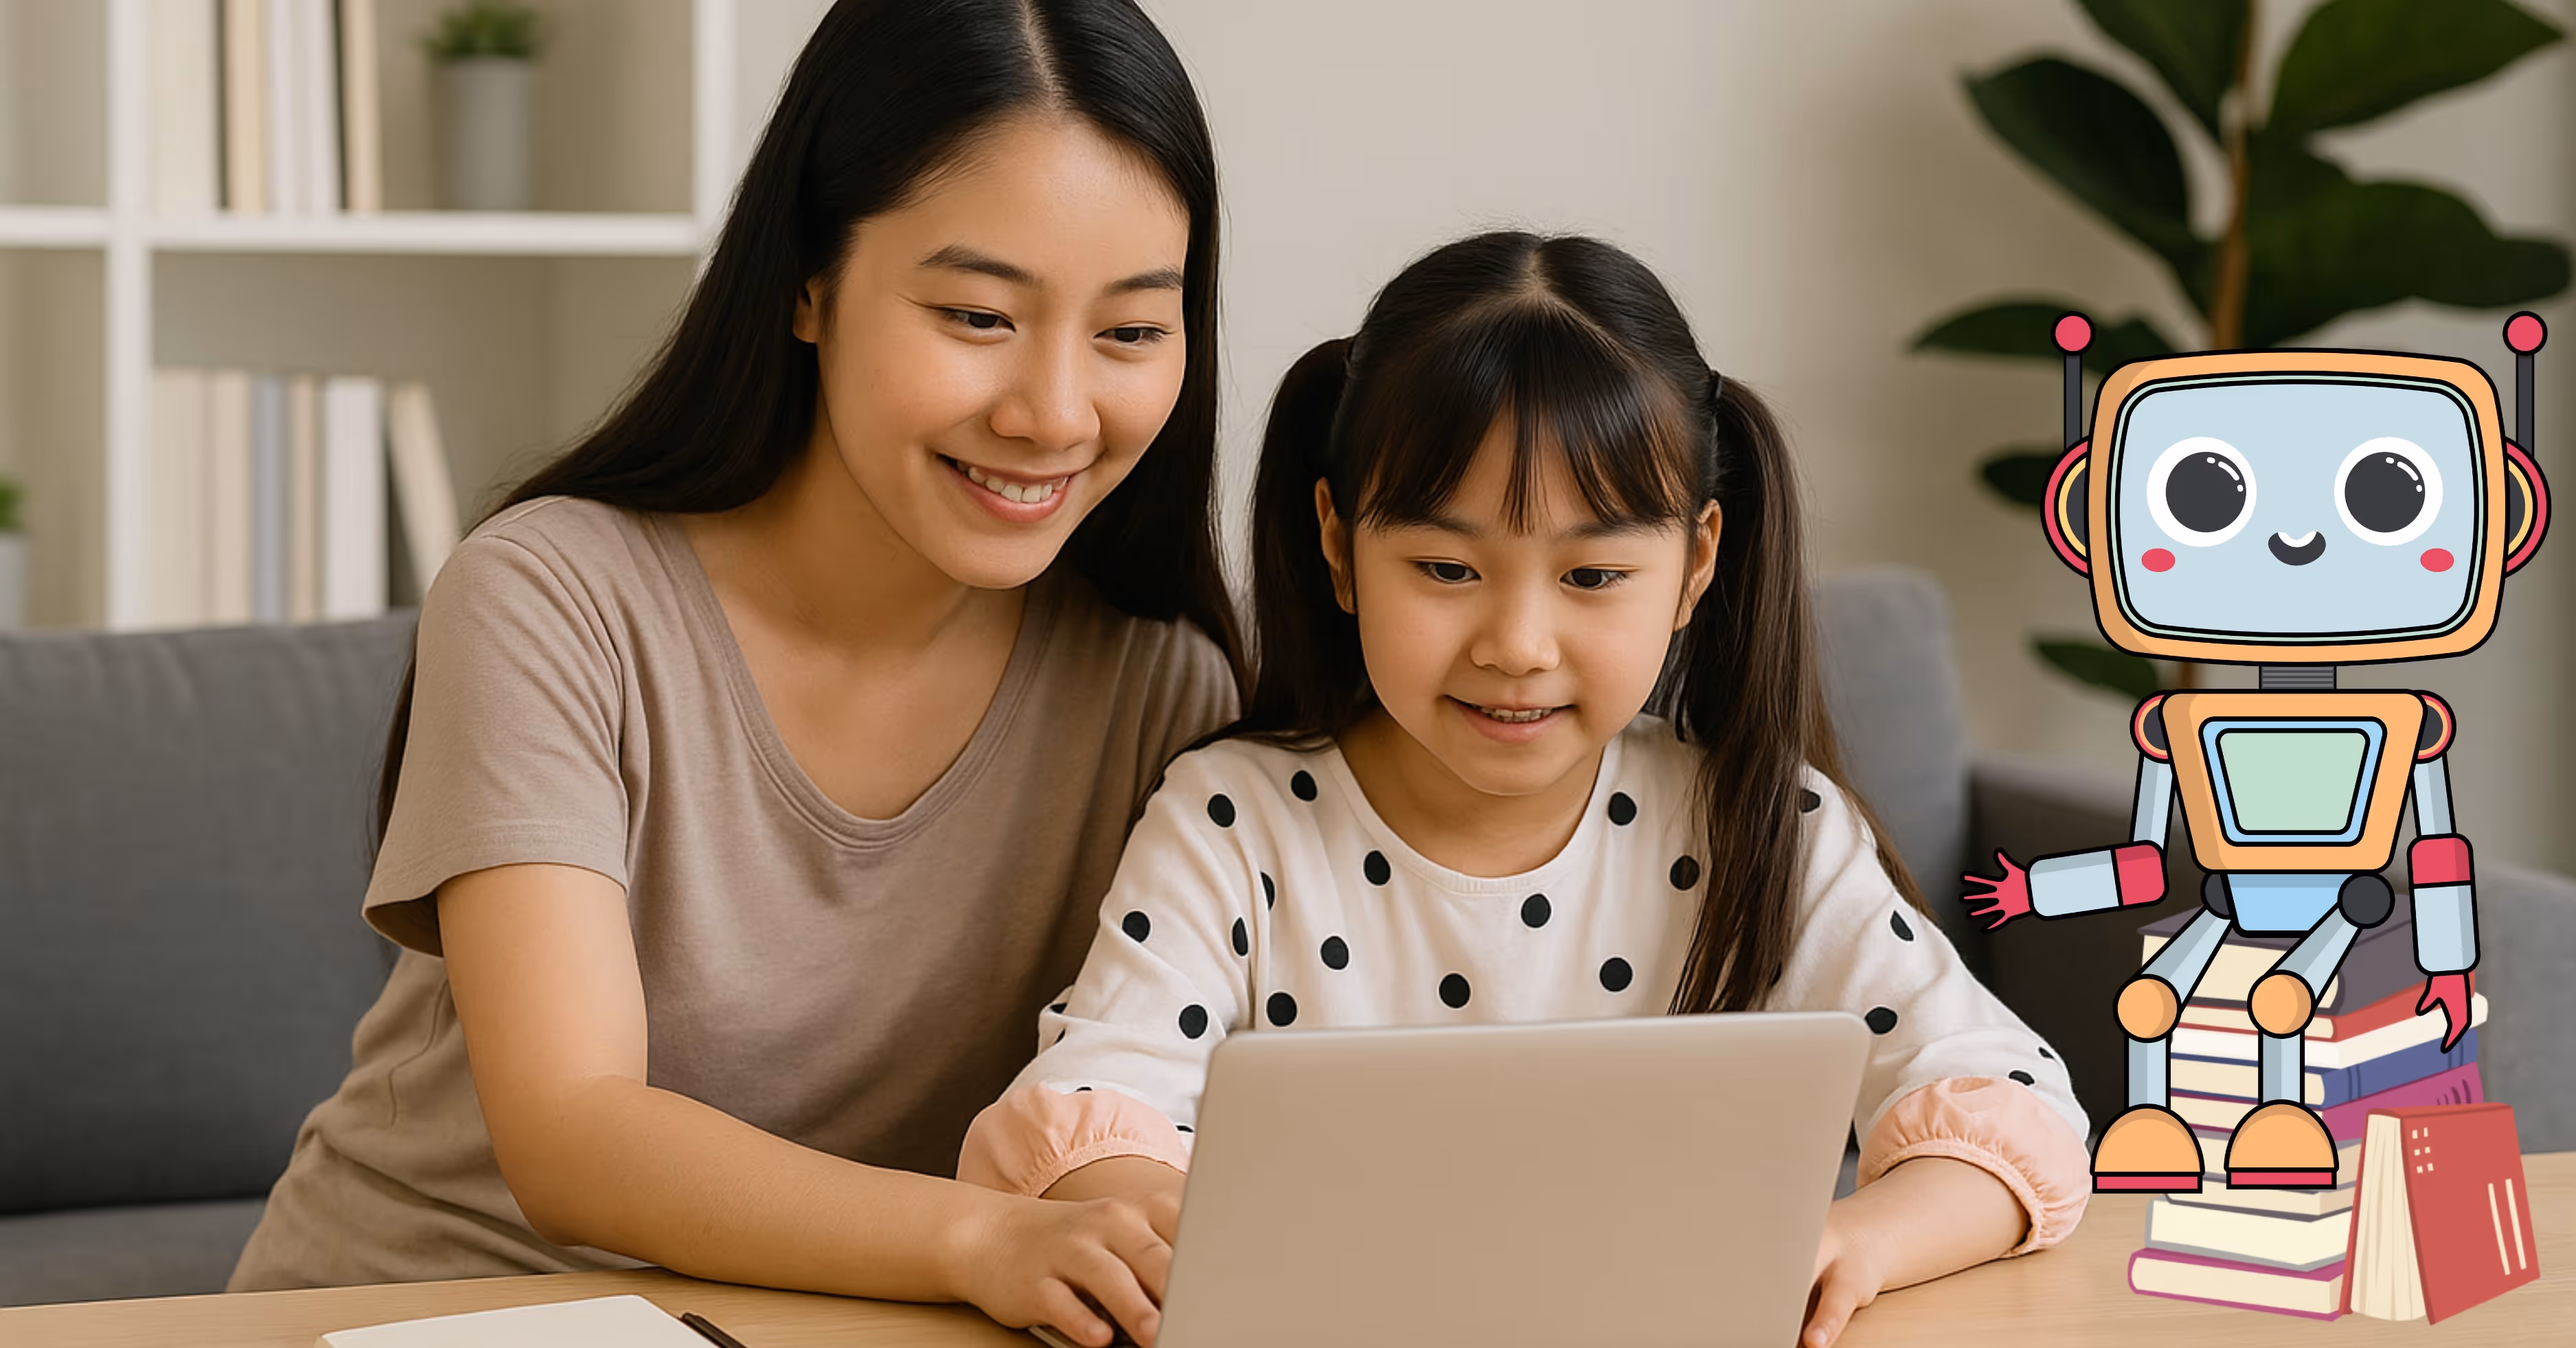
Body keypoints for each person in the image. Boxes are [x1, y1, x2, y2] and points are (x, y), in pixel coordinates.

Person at [229, 1, 1242, 1336]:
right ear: (808, 282)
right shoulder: (554, 597)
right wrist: (984, 1236)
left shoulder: (1162, 692)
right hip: (423, 1311)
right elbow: (574, 1134)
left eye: (1128, 333)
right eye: (979, 314)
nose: (1055, 412)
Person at [960, 231, 2094, 1348]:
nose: (1516, 643)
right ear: (1339, 545)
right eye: (1446, 570)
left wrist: (1863, 1245)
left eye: (1593, 575)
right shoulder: (1232, 821)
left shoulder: (1765, 827)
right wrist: (1162, 1223)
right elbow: (1092, 1115)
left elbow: (2011, 1108)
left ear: (1697, 561)